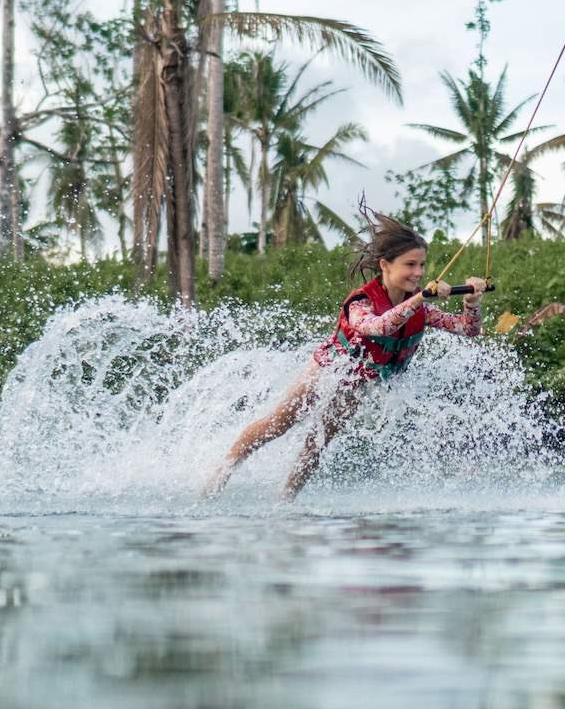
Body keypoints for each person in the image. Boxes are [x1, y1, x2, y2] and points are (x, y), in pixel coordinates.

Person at [203, 204, 487, 501]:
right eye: (410, 265)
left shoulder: (421, 308)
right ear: (385, 265)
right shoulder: (360, 302)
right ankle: (218, 478)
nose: (418, 272)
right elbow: (378, 327)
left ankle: (284, 502)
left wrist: (472, 301)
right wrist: (420, 298)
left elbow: (468, 330)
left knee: (318, 443)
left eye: (421, 265)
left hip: (359, 383)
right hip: (329, 371)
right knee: (278, 425)